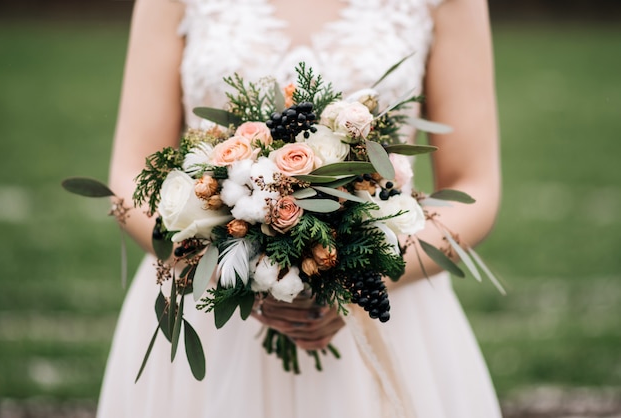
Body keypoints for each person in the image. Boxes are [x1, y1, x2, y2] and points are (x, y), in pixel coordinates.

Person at [98, 0, 502, 416]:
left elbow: (475, 188)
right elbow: (130, 175)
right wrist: (234, 271)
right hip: (209, 305)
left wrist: (363, 283)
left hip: (385, 304)